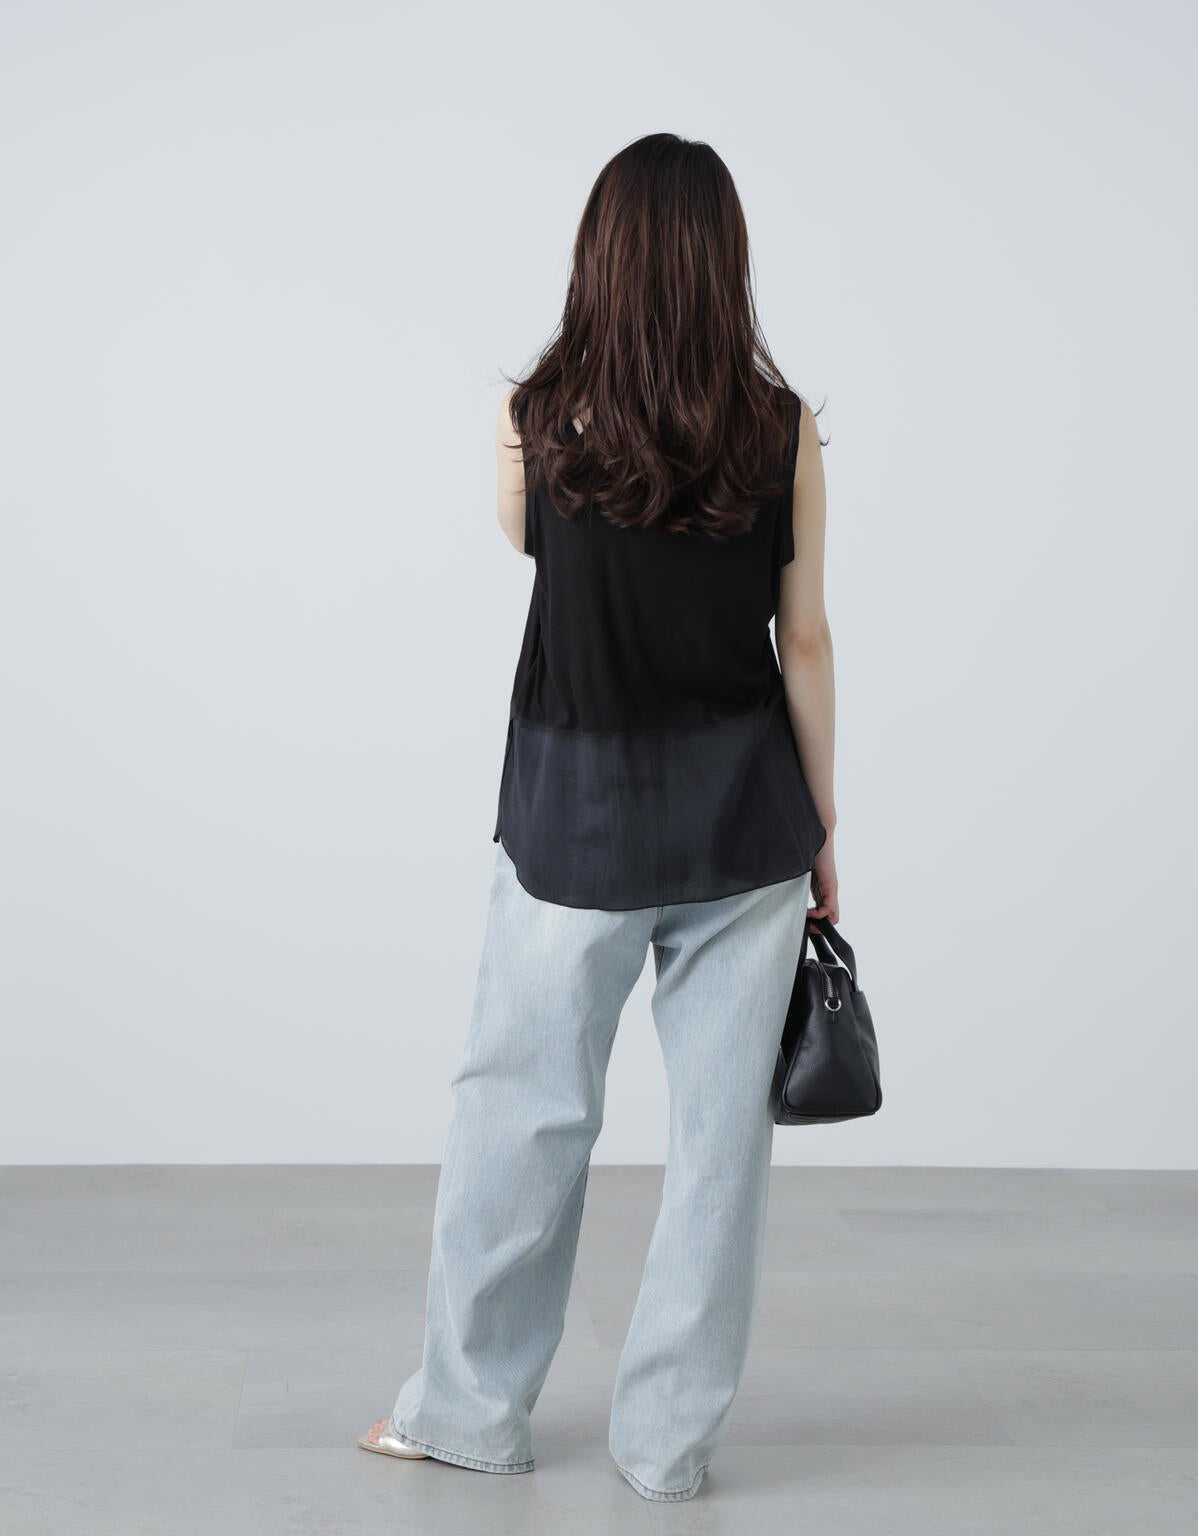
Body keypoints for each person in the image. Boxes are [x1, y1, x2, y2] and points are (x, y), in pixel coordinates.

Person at [358, 131, 838, 1503]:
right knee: (720, 1146)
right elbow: (804, 642)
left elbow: (531, 546)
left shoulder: (535, 418)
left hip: (573, 819)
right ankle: (667, 1449)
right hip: (743, 820)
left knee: (522, 1112)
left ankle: (469, 1412)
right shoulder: (780, 429)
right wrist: (823, 839)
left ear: (601, 255)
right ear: (725, 261)